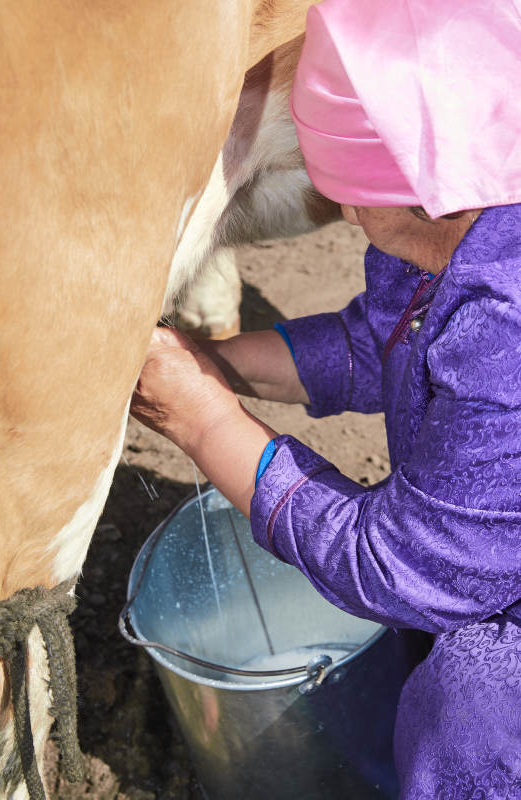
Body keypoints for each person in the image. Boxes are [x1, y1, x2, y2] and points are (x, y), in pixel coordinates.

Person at [131, 1, 521, 797]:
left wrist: (204, 421)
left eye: (343, 187)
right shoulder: (468, 223)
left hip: (474, 633)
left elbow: (403, 566)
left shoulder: (505, 330)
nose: (338, 209)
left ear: (402, 189)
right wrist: (214, 365)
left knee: (474, 701)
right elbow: (383, 340)